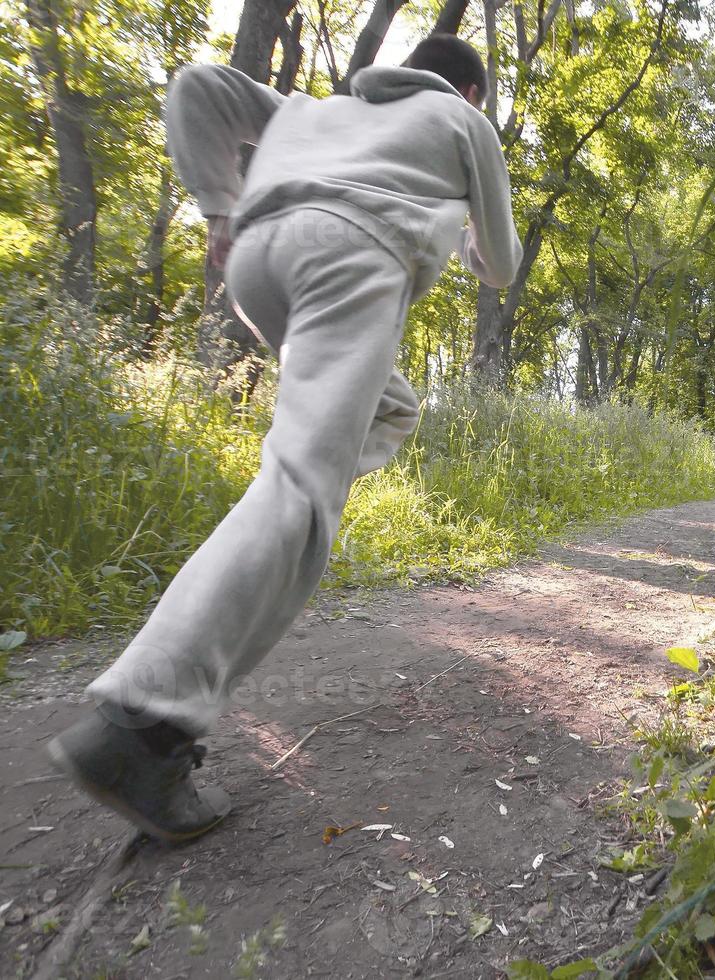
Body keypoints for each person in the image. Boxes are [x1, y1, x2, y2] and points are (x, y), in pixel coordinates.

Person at [47, 33, 522, 842]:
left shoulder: (321, 108)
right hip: (351, 253)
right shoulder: (462, 119)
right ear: (471, 92)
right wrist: (474, 233)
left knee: (390, 406)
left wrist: (219, 206)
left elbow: (198, 86)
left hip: (260, 257)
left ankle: (299, 491)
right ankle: (144, 729)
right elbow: (501, 266)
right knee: (299, 490)